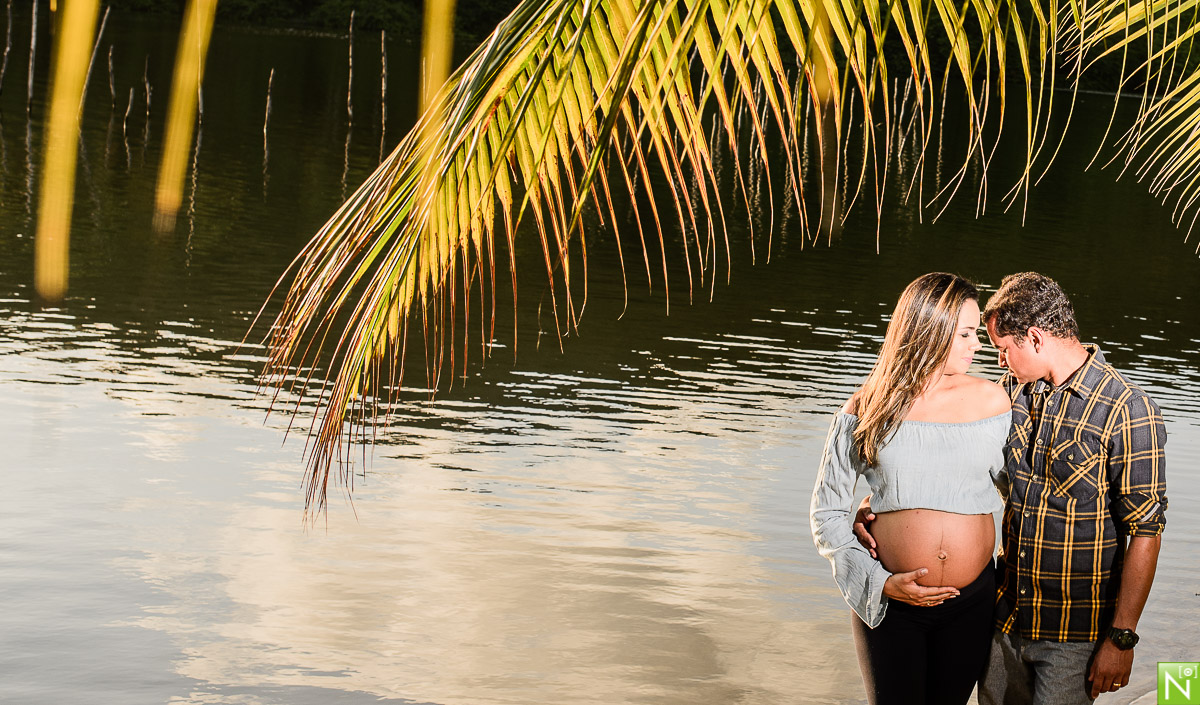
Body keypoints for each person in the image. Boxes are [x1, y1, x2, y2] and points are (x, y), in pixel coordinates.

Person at [856, 272, 1168, 704]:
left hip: (1072, 632)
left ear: (1035, 340)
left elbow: (1146, 532)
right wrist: (884, 503)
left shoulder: (1128, 409)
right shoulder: (1006, 395)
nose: (998, 361)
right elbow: (953, 460)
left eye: (1004, 349)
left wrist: (1121, 638)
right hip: (1003, 619)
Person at [810, 272, 1012, 705]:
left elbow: (1020, 497)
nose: (978, 345)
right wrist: (879, 582)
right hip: (889, 603)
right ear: (931, 330)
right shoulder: (868, 406)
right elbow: (826, 515)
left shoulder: (994, 402)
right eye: (966, 334)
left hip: (971, 599)